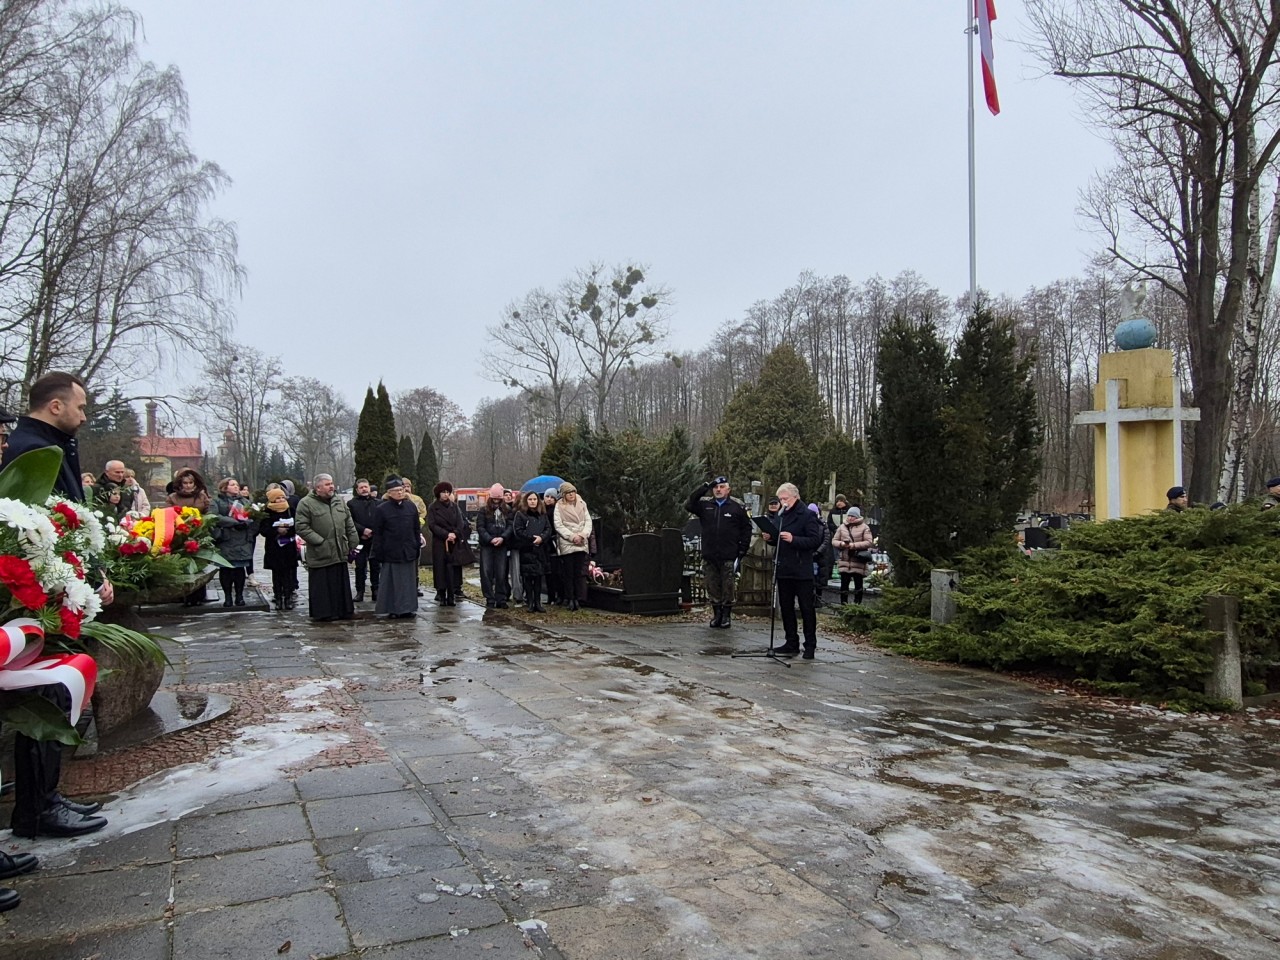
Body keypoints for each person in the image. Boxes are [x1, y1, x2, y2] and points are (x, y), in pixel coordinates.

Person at [0, 372, 108, 873]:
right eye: (80, 407)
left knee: (52, 690)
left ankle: (43, 799)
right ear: (57, 406)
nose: (84, 417)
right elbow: (38, 524)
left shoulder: (53, 444)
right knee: (45, 693)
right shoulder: (32, 450)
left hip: (55, 583)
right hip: (37, 591)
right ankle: (37, 808)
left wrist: (92, 570)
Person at [759, 483, 825, 659]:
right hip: (784, 567)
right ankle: (791, 642)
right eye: (780, 499)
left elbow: (814, 540)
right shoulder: (781, 515)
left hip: (801, 569)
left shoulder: (808, 515)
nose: (783, 502)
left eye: (785, 499)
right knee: (786, 607)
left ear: (795, 497)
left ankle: (810, 644)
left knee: (806, 608)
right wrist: (770, 538)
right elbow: (778, 537)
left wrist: (793, 539)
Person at [685, 475, 752, 629]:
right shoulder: (706, 505)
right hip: (710, 553)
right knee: (712, 585)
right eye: (716, 487)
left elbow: (746, 529)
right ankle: (717, 615)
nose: (718, 490)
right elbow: (690, 503)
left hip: (728, 554)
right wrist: (705, 487)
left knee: (728, 586)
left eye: (722, 487)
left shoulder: (736, 507)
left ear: (728, 490)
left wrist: (742, 548)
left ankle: (726, 615)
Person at [295, 473, 359, 622]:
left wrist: (353, 540)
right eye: (327, 484)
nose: (331, 487)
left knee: (340, 582)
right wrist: (320, 541)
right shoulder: (306, 503)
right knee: (322, 584)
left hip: (339, 549)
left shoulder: (339, 501)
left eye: (332, 484)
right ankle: (324, 613)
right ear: (318, 488)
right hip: (320, 552)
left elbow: (348, 521)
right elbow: (301, 527)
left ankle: (344, 611)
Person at [371, 476, 424, 618]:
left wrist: (416, 545)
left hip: (408, 549)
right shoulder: (382, 509)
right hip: (391, 551)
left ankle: (408, 608)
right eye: (396, 490)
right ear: (389, 493)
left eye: (401, 489)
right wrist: (378, 552)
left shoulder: (411, 507)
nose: (400, 492)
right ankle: (393, 609)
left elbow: (416, 528)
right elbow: (378, 533)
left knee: (408, 582)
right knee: (392, 582)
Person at [212, 478, 255, 607]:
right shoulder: (217, 501)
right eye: (232, 485)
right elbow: (214, 517)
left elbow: (253, 516)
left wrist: (246, 523)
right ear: (224, 487)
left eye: (237, 485)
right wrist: (234, 522)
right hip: (226, 539)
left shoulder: (245, 502)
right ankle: (228, 597)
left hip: (242, 540)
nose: (236, 487)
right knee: (226, 570)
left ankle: (239, 596)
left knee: (239, 569)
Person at [427, 481, 469, 606]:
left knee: (453, 568)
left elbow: (460, 523)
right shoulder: (433, 507)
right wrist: (446, 534)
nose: (446, 495)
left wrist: (455, 533)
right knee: (440, 568)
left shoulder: (454, 507)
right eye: (443, 492)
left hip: (453, 542)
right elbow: (432, 525)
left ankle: (452, 593)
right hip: (440, 542)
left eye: (447, 492)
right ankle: (441, 593)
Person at [553, 481, 592, 612]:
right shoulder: (559, 506)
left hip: (581, 541)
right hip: (568, 542)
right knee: (568, 573)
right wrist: (572, 536)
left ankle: (578, 597)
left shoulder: (582, 503)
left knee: (578, 572)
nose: (571, 495)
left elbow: (588, 521)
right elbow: (558, 525)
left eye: (573, 492)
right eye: (568, 493)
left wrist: (583, 535)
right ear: (564, 494)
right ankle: (570, 598)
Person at [259, 483, 298, 611]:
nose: (281, 500)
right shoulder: (267, 512)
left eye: (282, 497)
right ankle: (278, 597)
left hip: (288, 546)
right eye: (278, 498)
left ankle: (288, 598)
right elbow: (263, 529)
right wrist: (276, 531)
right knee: (277, 574)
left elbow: (297, 525)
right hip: (274, 547)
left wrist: (288, 530)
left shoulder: (290, 510)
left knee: (288, 573)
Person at [512, 491, 552, 612]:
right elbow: (518, 531)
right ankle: (530, 602)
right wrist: (531, 538)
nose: (533, 501)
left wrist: (542, 538)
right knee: (528, 577)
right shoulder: (520, 514)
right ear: (526, 501)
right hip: (527, 549)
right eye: (530, 499)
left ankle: (538, 602)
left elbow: (548, 529)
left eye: (535, 499)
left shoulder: (542, 514)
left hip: (540, 550)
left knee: (539, 577)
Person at [476, 482, 513, 608]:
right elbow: (480, 527)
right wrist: (490, 539)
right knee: (486, 572)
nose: (496, 500)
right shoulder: (483, 511)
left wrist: (503, 538)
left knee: (501, 572)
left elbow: (510, 526)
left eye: (498, 498)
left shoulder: (507, 510)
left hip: (502, 544)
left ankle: (501, 598)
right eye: (494, 498)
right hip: (487, 545)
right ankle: (489, 598)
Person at [832, 507, 876, 605]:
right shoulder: (842, 527)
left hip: (858, 560)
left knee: (858, 586)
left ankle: (857, 605)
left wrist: (853, 546)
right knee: (844, 586)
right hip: (845, 560)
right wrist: (842, 544)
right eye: (849, 516)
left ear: (857, 516)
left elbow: (869, 542)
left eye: (853, 516)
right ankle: (844, 605)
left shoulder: (864, 527)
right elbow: (834, 541)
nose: (850, 518)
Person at [347, 478, 381, 602]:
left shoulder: (378, 503)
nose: (364, 489)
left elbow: (381, 520)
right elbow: (350, 521)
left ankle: (376, 590)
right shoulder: (351, 504)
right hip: (359, 540)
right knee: (360, 566)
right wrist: (362, 530)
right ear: (357, 490)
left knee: (375, 566)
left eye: (366, 487)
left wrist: (372, 531)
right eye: (361, 487)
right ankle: (360, 591)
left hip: (374, 540)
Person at [810, 503, 836, 607]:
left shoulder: (823, 525)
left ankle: (818, 599)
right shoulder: (805, 524)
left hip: (820, 556)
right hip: (809, 555)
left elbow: (826, 540)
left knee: (819, 580)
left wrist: (818, 552)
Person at [541, 488, 561, 605]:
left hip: (553, 543)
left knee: (555, 571)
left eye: (552, 497)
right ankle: (551, 596)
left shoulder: (556, 511)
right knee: (547, 572)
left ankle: (557, 595)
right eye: (547, 497)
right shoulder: (541, 511)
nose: (549, 499)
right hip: (545, 544)